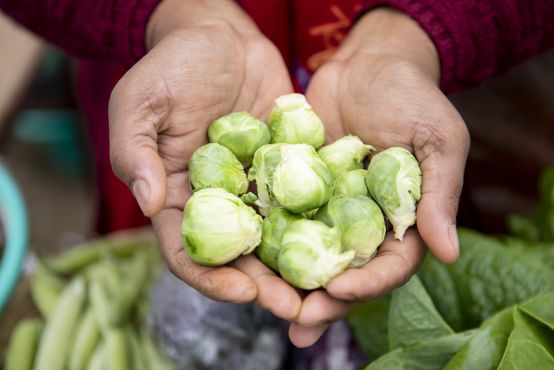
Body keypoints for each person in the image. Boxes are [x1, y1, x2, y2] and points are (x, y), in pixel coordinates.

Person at [1, 0, 553, 348]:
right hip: (180, 106)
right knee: (150, 213)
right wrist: (171, 12)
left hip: (425, 85)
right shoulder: (256, 173)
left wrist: (416, 37)